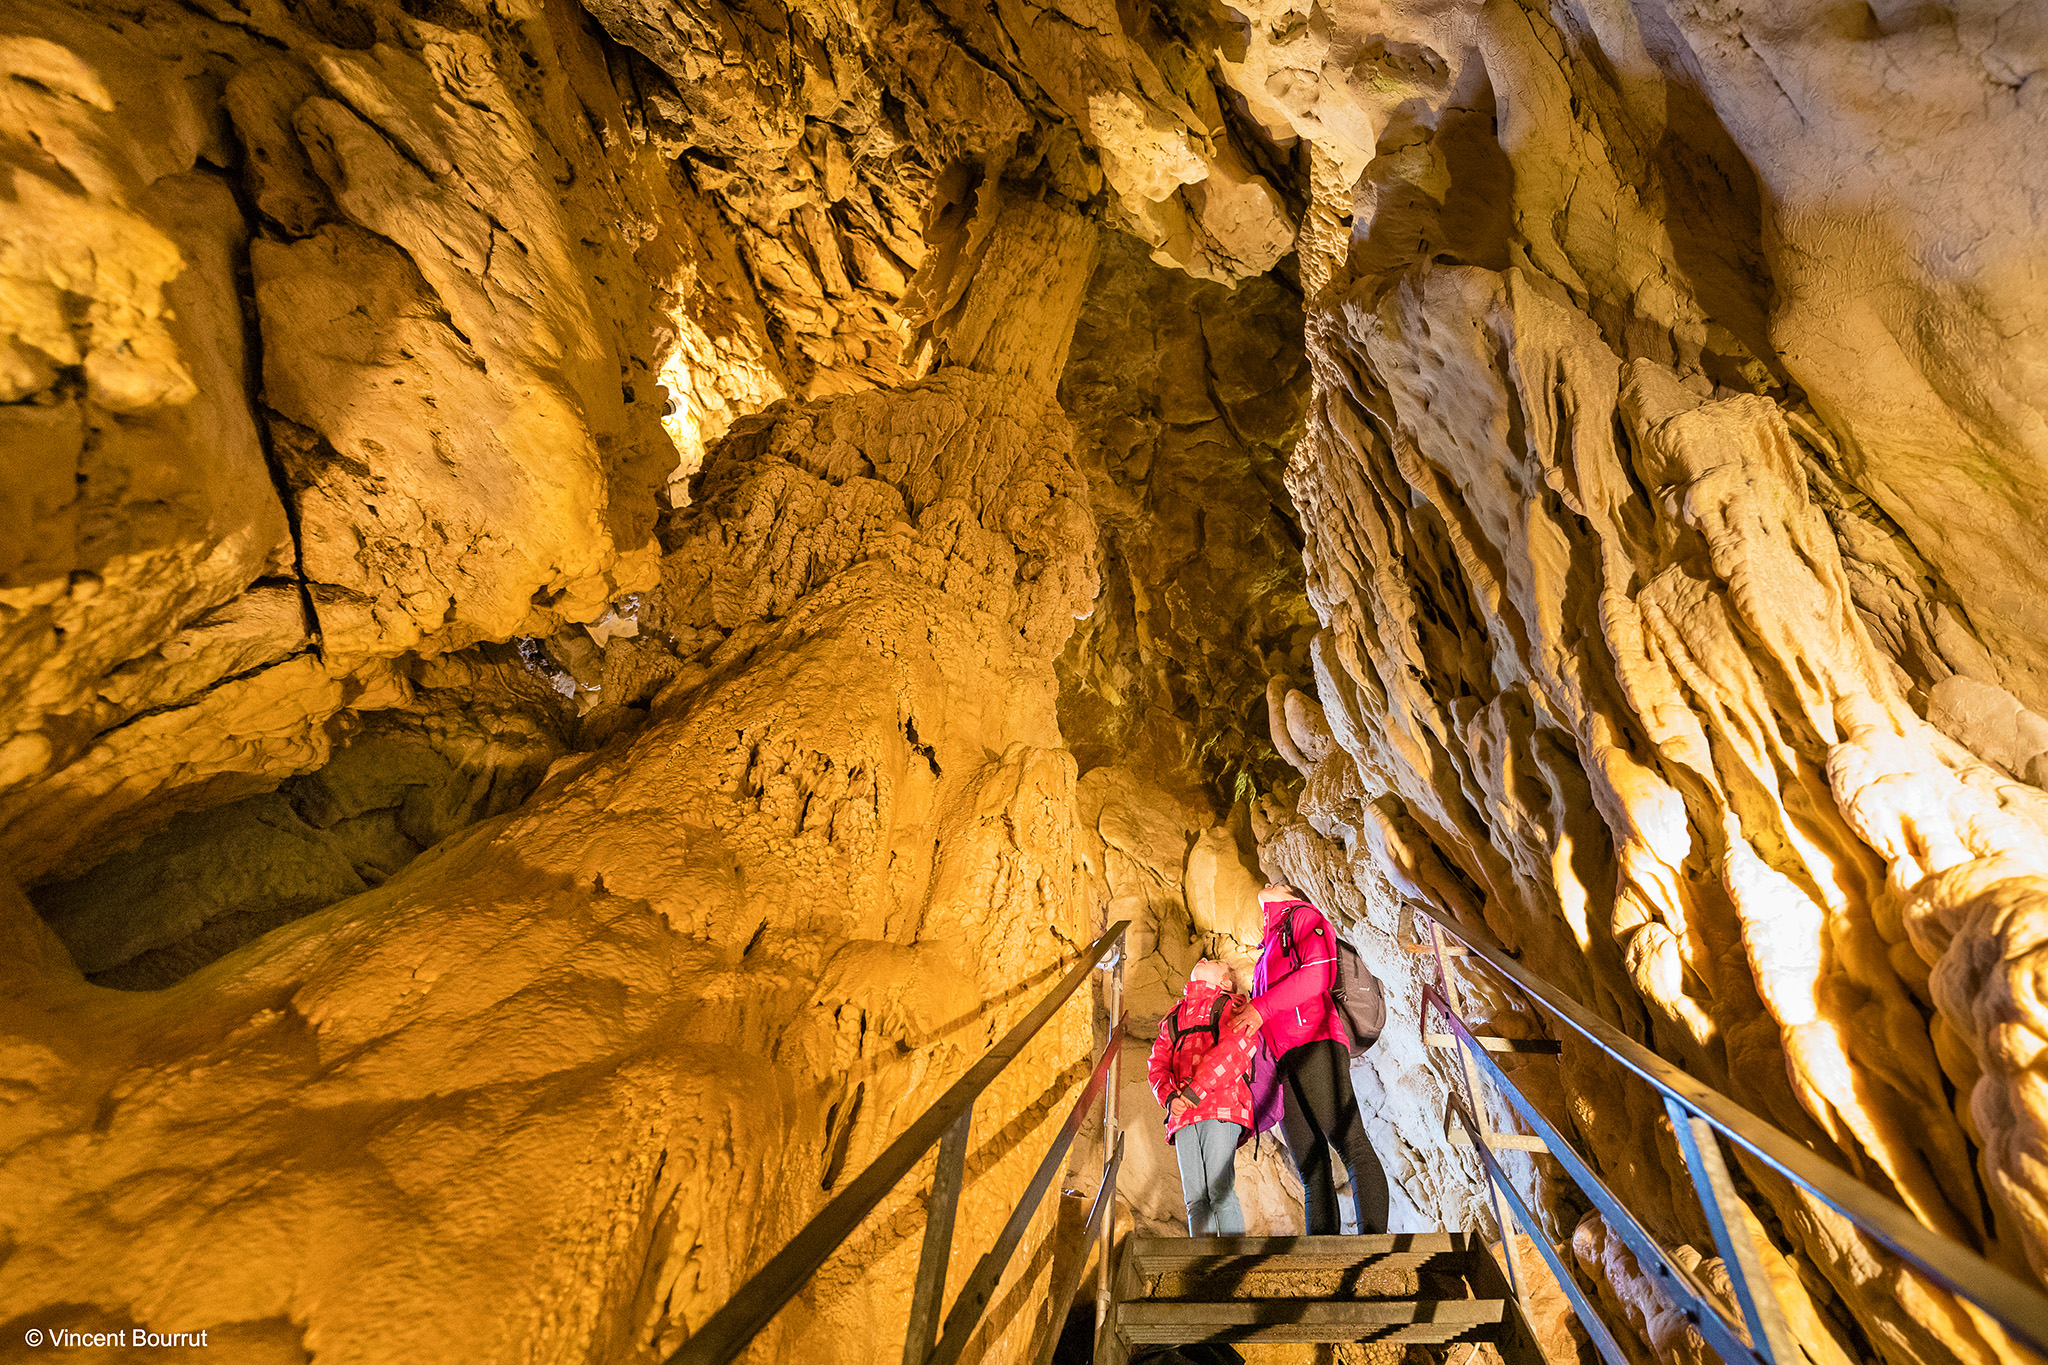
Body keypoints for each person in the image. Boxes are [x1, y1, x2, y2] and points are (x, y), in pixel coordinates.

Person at [1238, 883, 1390, 1235]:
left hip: (1315, 1040)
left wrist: (1259, 1008)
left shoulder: (1304, 918)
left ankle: (1374, 1242)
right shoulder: (1268, 948)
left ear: (1291, 894)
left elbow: (1318, 974)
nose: (1267, 884)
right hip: (1284, 1061)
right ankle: (1323, 1250)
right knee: (1310, 1164)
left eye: (1276, 884)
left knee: (1350, 1141)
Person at [1146, 958, 1262, 1236]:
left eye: (1214, 961)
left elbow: (1236, 1050)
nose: (1204, 958)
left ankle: (1235, 1263)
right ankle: (1203, 1268)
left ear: (1224, 982)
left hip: (1221, 1107)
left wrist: (1194, 1090)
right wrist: (1169, 1096)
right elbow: (1157, 1063)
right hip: (1183, 1113)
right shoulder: (1173, 1018)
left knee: (1219, 1192)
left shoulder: (1232, 1008)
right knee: (1195, 1199)